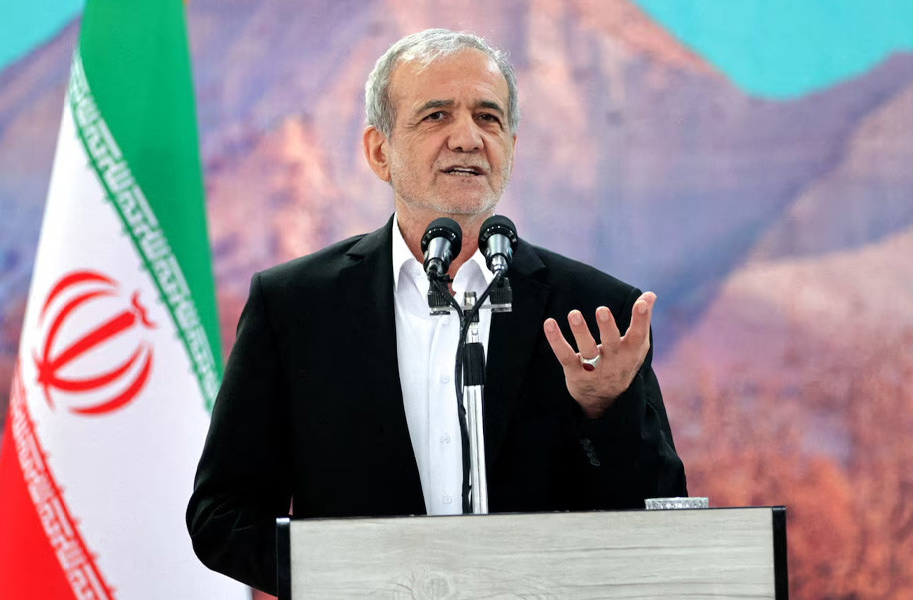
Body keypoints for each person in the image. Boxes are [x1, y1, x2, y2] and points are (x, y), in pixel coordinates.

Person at [186, 28, 686, 595]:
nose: (468, 138)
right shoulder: (295, 306)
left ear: (511, 148)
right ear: (380, 151)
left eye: (488, 118)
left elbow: (659, 521)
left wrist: (605, 411)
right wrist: (357, 581)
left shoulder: (597, 313)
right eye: (436, 115)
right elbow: (223, 514)